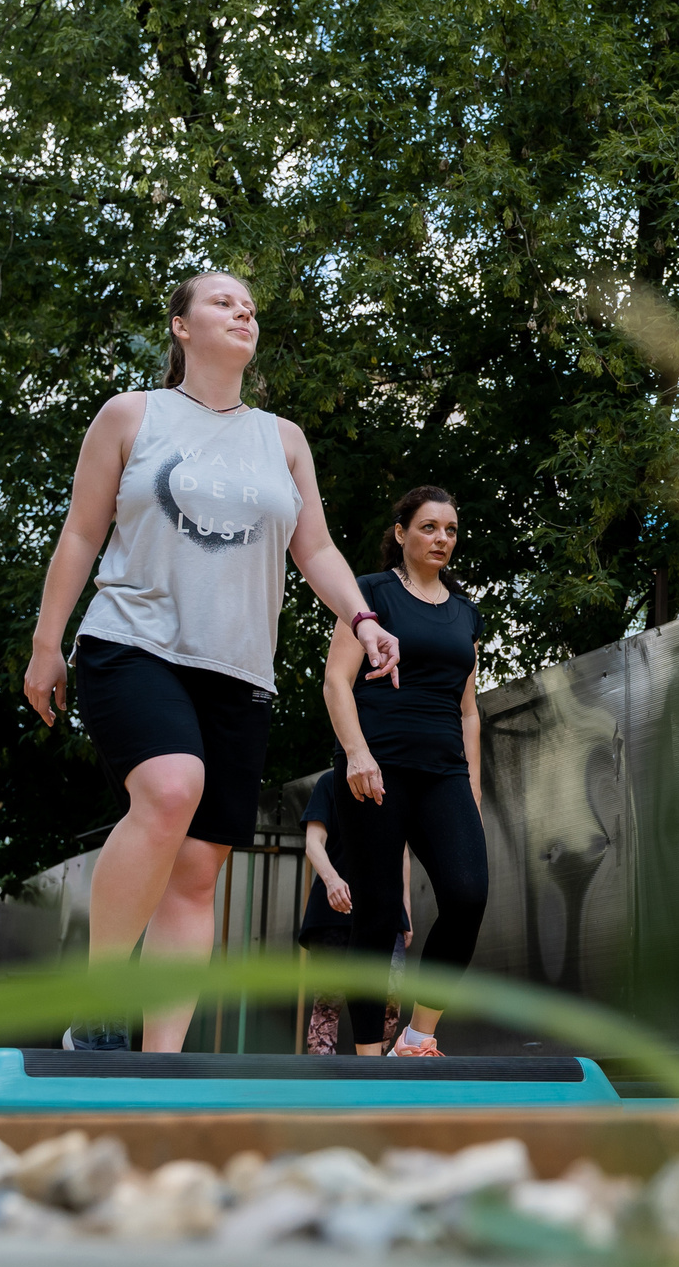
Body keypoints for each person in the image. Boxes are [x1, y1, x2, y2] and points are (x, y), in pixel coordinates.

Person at [24, 270, 402, 1054]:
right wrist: (45, 641)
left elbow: (318, 547)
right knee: (170, 788)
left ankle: (158, 1066)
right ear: (180, 325)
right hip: (133, 640)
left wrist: (363, 616)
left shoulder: (283, 438)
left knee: (198, 870)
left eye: (250, 306)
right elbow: (80, 534)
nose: (243, 311)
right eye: (223, 301)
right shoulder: (134, 415)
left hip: (238, 669)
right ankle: (99, 1007)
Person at [323, 486, 488, 1056]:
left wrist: (473, 786)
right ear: (401, 534)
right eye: (429, 527)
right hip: (377, 767)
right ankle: (371, 1058)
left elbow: (469, 710)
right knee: (378, 912)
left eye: (450, 530)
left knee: (468, 896)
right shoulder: (369, 596)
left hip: (443, 772)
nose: (441, 538)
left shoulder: (466, 611)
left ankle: (418, 1036)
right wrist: (357, 754)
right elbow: (336, 683)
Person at [293, 768, 409, 1054]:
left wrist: (405, 910)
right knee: (329, 1001)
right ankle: (323, 1088)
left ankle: (374, 1076)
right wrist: (332, 880)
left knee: (391, 998)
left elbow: (402, 853)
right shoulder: (328, 782)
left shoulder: (395, 783)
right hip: (334, 910)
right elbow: (313, 843)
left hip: (386, 908)